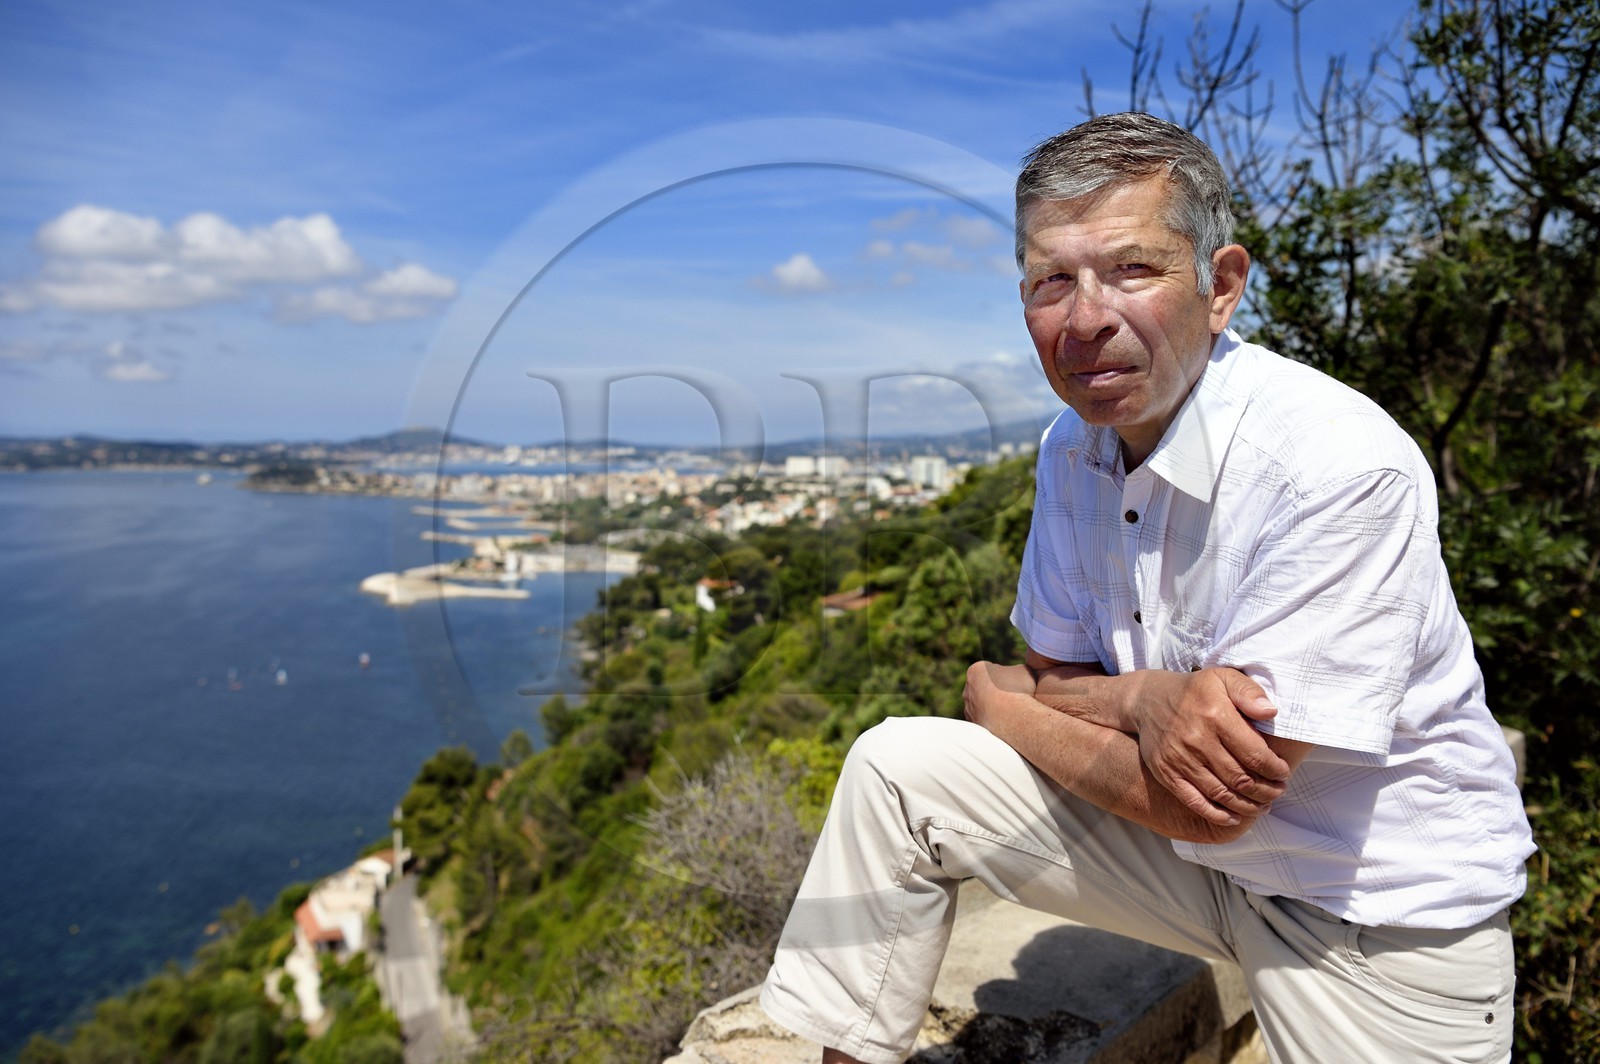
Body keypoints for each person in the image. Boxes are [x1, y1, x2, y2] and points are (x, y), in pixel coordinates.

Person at [758, 112, 1535, 1064]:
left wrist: (996, 707)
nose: (1085, 318)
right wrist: (1139, 698)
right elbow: (1055, 670)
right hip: (1205, 874)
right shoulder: (1072, 447)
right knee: (898, 768)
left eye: (1131, 269)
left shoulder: (1335, 465)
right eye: (1052, 279)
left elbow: (1208, 799)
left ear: (1222, 286)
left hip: (1376, 922)